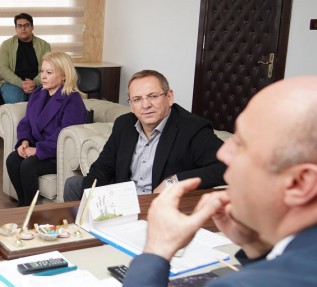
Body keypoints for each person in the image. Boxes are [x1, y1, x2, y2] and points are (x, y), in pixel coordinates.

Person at [99, 76, 317, 287]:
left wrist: (156, 251)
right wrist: (256, 247)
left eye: (243, 143)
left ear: (302, 183)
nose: (224, 153)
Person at [63, 69, 225, 201]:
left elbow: (227, 167)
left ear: (169, 97)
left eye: (153, 96)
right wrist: (91, 201)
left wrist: (173, 181)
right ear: (131, 105)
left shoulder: (192, 128)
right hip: (124, 198)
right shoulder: (124, 124)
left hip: (159, 203)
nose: (146, 105)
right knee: (74, 185)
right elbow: (103, 166)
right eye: (137, 99)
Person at [5, 51, 87, 206]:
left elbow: (63, 135)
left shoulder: (72, 100)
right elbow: (26, 121)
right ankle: (23, 204)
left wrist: (37, 150)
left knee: (28, 166)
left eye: (49, 73)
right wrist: (25, 141)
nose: (43, 76)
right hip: (38, 148)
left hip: (56, 154)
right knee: (12, 160)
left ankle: (31, 208)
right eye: (42, 71)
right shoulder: (38, 94)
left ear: (63, 76)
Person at [0, 13, 51, 104]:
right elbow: (3, 68)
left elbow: (49, 68)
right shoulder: (6, 45)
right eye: (20, 26)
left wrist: (35, 82)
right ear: (16, 28)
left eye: (26, 25)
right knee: (15, 99)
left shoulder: (44, 45)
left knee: (40, 101)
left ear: (32, 27)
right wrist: (21, 83)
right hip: (12, 83)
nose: (23, 28)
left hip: (38, 82)